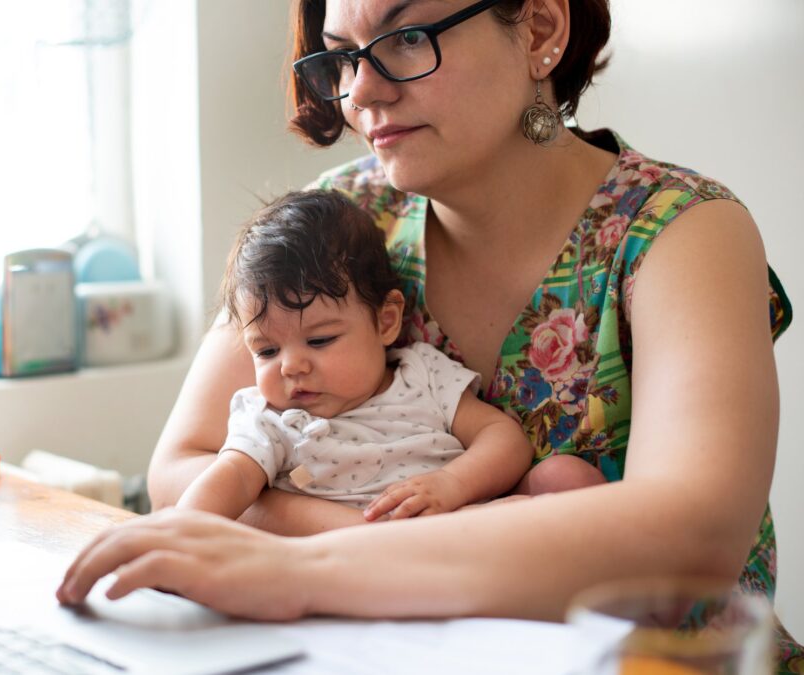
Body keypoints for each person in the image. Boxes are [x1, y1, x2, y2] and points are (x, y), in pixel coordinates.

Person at [59, 0, 799, 670]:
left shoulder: (682, 231)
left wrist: (302, 565)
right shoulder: (342, 219)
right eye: (344, 55)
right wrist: (368, 537)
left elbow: (691, 536)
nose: (361, 92)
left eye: (406, 38)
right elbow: (181, 466)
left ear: (540, 30)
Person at [178, 189, 602, 522]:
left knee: (564, 477)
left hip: (467, 523)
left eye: (320, 340)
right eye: (266, 350)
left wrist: (451, 484)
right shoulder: (270, 421)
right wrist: (176, 531)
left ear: (385, 322)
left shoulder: (421, 374)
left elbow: (503, 438)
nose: (290, 366)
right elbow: (228, 479)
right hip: (361, 559)